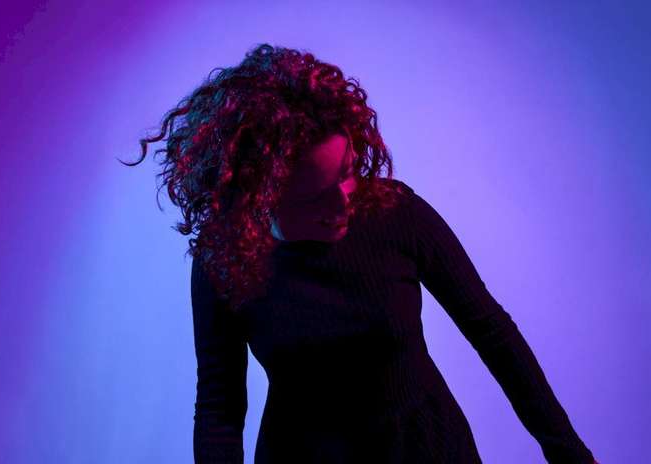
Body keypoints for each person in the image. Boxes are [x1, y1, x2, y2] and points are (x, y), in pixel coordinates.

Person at [122, 43, 599, 463]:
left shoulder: (395, 212)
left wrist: (569, 454)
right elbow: (220, 407)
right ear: (258, 196)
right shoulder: (224, 254)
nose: (344, 202)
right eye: (314, 197)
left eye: (348, 172)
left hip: (428, 452)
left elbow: (492, 332)